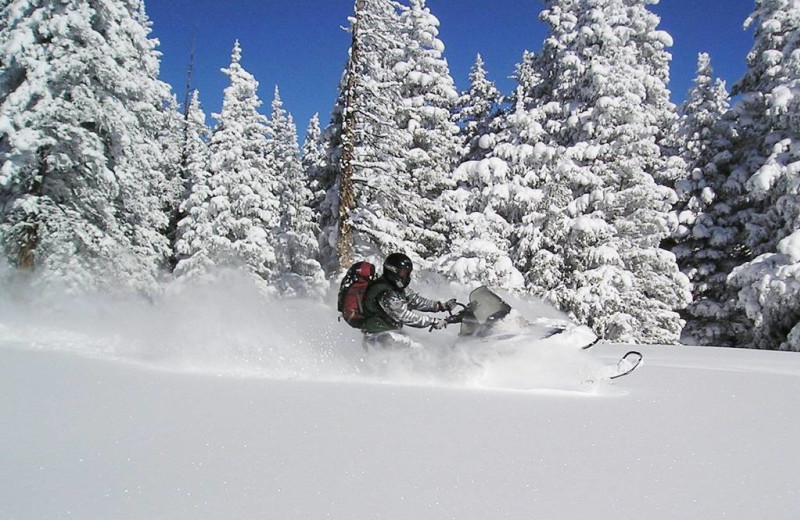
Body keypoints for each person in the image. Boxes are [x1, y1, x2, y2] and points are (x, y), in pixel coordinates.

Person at [361, 252, 457, 347]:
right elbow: (404, 316)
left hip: (390, 333)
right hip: (377, 336)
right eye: (403, 273)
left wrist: (439, 306)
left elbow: (414, 300)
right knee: (419, 350)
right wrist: (432, 321)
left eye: (408, 273)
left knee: (426, 344)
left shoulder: (396, 287)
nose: (406, 277)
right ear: (393, 271)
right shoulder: (384, 292)